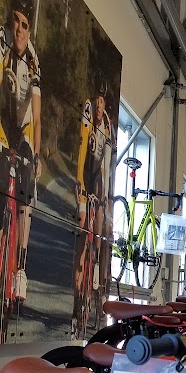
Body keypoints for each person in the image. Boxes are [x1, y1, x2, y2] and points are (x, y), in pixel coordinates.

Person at [0, 0, 41, 302]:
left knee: (26, 197)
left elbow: (37, 116)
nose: (18, 29)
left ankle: (21, 268)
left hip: (24, 127)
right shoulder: (1, 41)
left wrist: (36, 155)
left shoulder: (34, 61)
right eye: (15, 21)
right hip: (2, 121)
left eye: (24, 24)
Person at [72, 80, 114, 329]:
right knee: (81, 230)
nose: (98, 105)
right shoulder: (87, 111)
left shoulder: (107, 125)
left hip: (97, 177)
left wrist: (104, 197)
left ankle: (96, 261)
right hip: (84, 174)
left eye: (102, 101)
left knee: (100, 224)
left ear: (105, 104)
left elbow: (105, 167)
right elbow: (81, 150)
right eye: (97, 100)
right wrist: (79, 182)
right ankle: (77, 298)